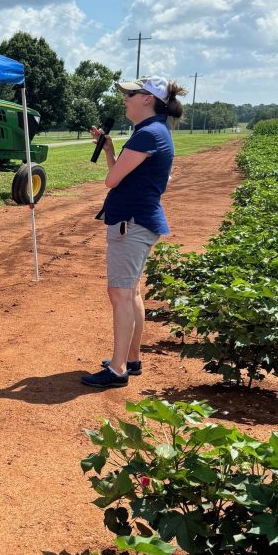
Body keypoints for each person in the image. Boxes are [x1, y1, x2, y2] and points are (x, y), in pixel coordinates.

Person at [80, 75, 183, 390]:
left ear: (147, 99)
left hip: (131, 222)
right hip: (140, 220)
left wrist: (112, 157)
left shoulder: (147, 134)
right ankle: (132, 358)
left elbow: (112, 181)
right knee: (131, 291)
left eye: (130, 94)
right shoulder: (156, 132)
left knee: (121, 294)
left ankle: (118, 368)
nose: (125, 98)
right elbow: (121, 175)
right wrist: (111, 148)